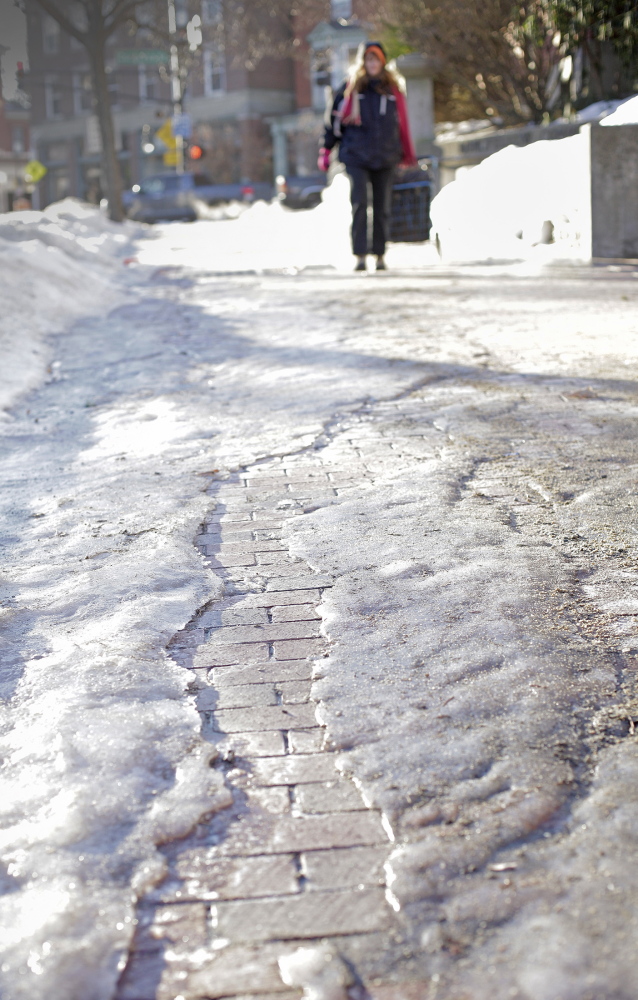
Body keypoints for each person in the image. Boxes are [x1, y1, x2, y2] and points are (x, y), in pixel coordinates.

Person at [318, 41, 417, 272]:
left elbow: (401, 124)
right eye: (368, 59)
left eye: (376, 59)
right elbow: (332, 121)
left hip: (385, 155)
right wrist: (326, 149)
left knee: (383, 207)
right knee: (360, 203)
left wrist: (405, 152)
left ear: (382, 62)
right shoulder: (349, 89)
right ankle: (360, 255)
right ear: (363, 62)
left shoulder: (393, 90)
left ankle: (380, 255)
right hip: (356, 155)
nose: (372, 63)